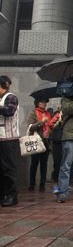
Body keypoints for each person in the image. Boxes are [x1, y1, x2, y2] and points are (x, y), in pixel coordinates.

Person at [27, 98, 58, 192]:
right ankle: (32, 184)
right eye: (42, 102)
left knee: (44, 164)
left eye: (45, 102)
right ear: (37, 103)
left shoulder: (48, 113)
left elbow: (51, 125)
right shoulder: (33, 113)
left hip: (46, 141)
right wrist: (41, 122)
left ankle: (42, 184)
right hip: (36, 141)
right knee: (34, 164)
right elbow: (31, 127)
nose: (44, 103)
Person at [0, 75, 19, 207]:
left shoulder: (11, 97)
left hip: (9, 140)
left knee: (8, 169)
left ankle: (12, 196)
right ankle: (3, 195)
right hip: (1, 139)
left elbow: (9, 111)